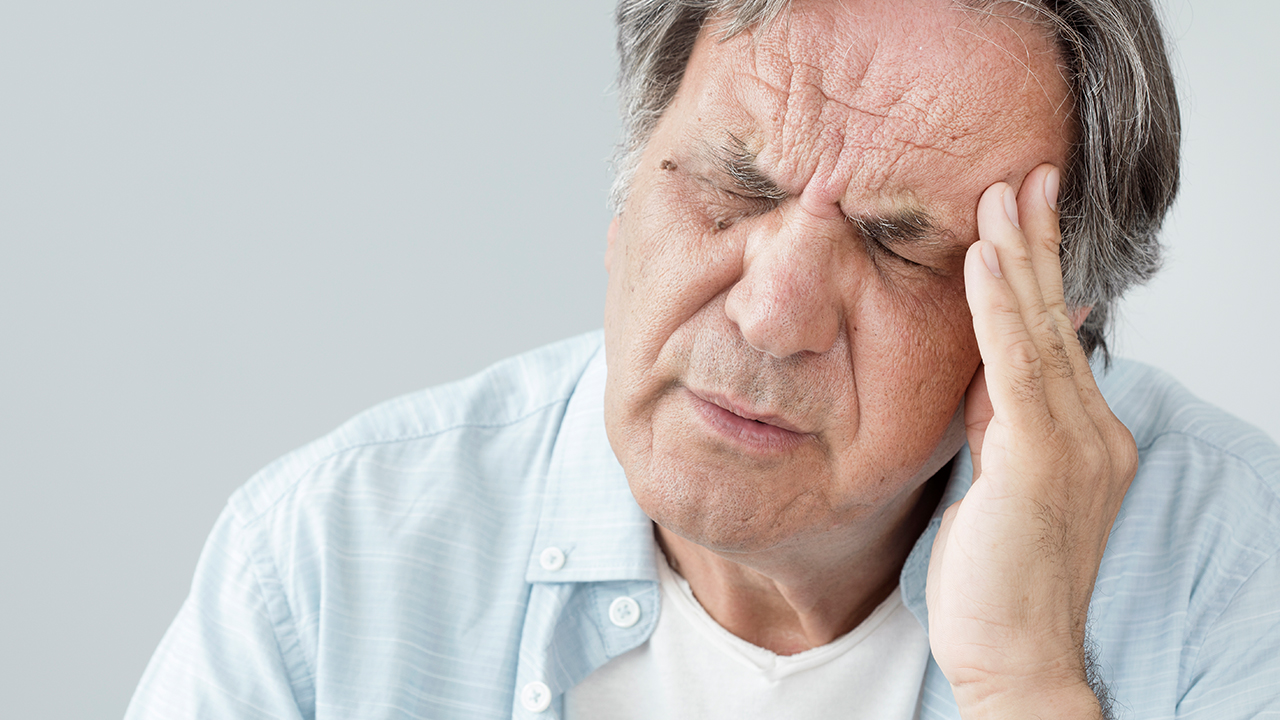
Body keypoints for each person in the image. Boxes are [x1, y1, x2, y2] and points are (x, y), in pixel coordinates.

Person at [126, 0, 1279, 718]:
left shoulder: (1238, 574)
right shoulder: (328, 562)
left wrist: (1025, 683)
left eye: (896, 244)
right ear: (627, 191)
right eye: (732, 185)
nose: (770, 318)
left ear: (1053, 326)